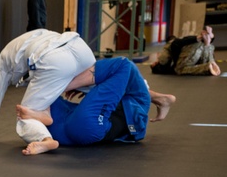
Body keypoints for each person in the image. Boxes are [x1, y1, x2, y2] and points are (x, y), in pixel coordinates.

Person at [0, 29, 96, 155]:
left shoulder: (2, 62)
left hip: (54, 59)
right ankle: (115, 112)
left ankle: (45, 140)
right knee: (96, 86)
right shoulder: (31, 38)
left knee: (25, 114)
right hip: (80, 47)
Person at [15, 57, 176, 151]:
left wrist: (82, 84)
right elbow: (122, 75)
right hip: (81, 127)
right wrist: (82, 83)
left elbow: (120, 82)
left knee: (123, 66)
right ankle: (45, 138)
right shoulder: (138, 105)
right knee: (123, 66)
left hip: (59, 129)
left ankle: (44, 133)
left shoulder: (136, 106)